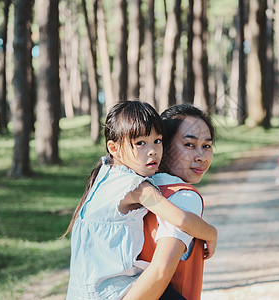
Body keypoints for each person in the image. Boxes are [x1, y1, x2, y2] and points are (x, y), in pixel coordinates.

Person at [63, 101, 217, 299]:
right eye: (141, 143)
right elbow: (181, 220)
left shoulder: (104, 175)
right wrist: (211, 234)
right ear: (114, 148)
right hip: (114, 292)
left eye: (157, 141)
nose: (152, 151)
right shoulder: (139, 187)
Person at [124, 104, 217, 300]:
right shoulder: (184, 196)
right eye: (189, 145)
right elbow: (160, 271)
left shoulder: (133, 185)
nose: (201, 157)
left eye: (206, 146)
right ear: (163, 147)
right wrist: (211, 232)